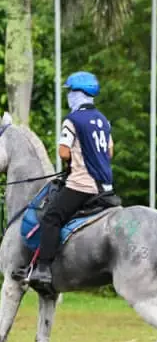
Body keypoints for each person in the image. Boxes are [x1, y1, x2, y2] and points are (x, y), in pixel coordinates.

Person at [29, 72, 115, 296]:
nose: (69, 96)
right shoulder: (103, 120)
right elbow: (110, 152)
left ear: (79, 93)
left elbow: (63, 152)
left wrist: (73, 159)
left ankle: (43, 270)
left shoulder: (73, 120)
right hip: (105, 188)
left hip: (81, 186)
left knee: (51, 217)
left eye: (70, 92)